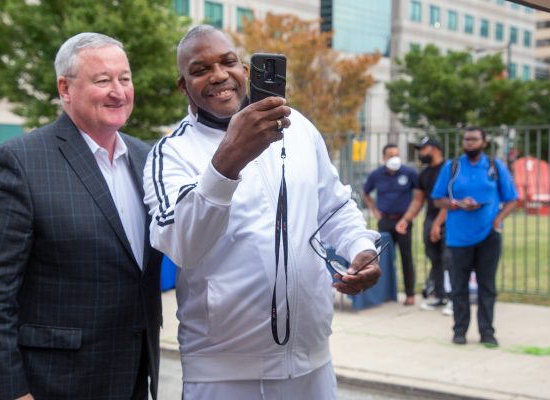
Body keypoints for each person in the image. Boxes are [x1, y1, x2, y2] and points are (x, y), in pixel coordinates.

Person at [143, 25, 381, 399]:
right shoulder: (170, 152)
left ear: (245, 70)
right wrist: (227, 161)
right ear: (183, 86)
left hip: (312, 363)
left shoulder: (298, 127)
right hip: (222, 374)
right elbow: (181, 245)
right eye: (200, 69)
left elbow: (333, 207)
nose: (218, 75)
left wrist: (359, 248)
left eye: (228, 62)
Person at [0, 33, 163, 400]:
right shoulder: (19, 162)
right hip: (51, 383)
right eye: (103, 80)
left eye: (125, 78)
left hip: (132, 376)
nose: (118, 91)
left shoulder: (147, 159)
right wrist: (9, 393)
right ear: (65, 88)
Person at [432, 127, 518, 347]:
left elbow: (512, 199)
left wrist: (498, 219)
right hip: (458, 238)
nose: (470, 143)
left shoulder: (494, 166)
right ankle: (459, 330)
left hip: (488, 236)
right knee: (459, 288)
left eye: (474, 139)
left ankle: (487, 332)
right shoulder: (452, 167)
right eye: (466, 139)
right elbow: (437, 199)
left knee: (487, 286)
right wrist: (456, 204)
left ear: (484, 142)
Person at [394, 137, 450, 313]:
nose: (420, 153)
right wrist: (405, 219)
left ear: (435, 149)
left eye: (423, 149)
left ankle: (454, 298)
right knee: (435, 259)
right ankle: (440, 296)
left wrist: (438, 224)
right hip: (431, 219)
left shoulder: (448, 169)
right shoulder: (424, 174)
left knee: (451, 260)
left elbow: (449, 199)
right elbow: (418, 200)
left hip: (449, 220)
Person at [362, 144, 418, 305]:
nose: (394, 158)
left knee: (406, 257)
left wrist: (408, 216)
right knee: (384, 258)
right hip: (385, 221)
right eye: (391, 155)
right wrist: (375, 211)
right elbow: (366, 192)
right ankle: (386, 293)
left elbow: (419, 194)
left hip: (403, 221)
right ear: (384, 157)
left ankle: (410, 294)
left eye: (397, 154)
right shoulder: (376, 175)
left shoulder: (409, 173)